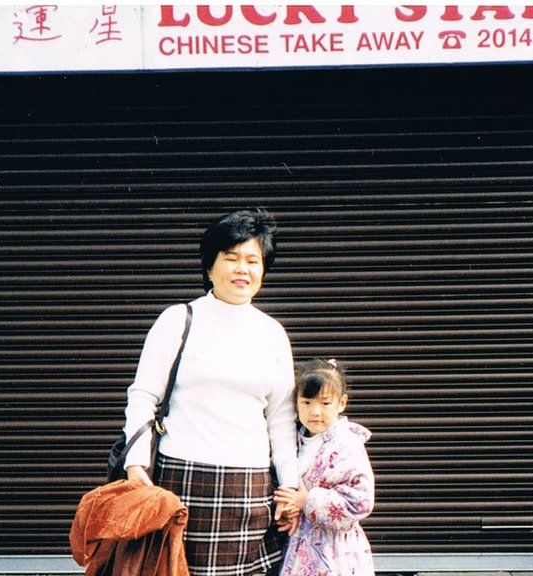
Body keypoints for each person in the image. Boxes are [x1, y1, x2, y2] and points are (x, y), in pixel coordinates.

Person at [122, 209, 299, 576]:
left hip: (250, 487)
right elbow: (143, 396)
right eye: (231, 258)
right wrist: (135, 463)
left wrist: (291, 487)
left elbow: (281, 419)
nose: (242, 269)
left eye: (253, 260)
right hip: (180, 480)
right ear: (209, 266)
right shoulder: (178, 319)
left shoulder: (272, 334)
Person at [274, 359, 375, 576]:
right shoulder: (293, 442)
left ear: (341, 403)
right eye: (307, 402)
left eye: (325, 403)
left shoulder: (347, 445)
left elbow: (361, 500)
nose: (315, 412)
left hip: (336, 552)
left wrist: (307, 501)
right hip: (299, 545)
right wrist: (289, 508)